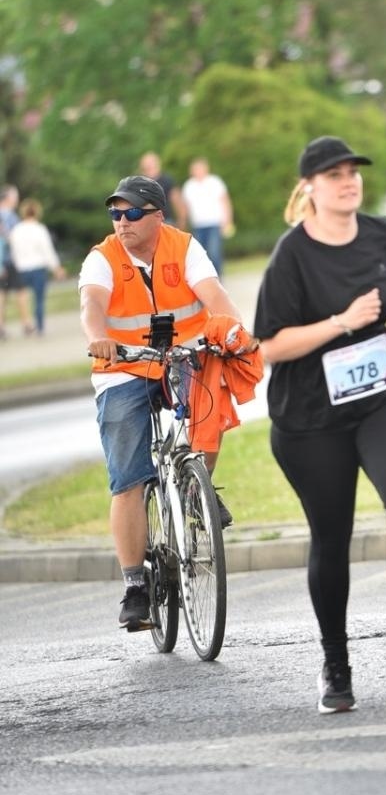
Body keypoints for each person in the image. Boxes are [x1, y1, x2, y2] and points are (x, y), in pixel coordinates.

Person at [254, 135, 386, 714]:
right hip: (311, 418)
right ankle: (335, 665)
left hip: (381, 398)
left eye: (353, 172)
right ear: (310, 188)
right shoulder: (292, 255)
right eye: (334, 174)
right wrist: (342, 323)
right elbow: (270, 345)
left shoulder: (382, 234)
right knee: (332, 535)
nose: (348, 181)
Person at [79, 175, 258, 632]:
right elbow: (91, 305)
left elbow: (214, 296)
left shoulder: (185, 247)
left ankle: (198, 489)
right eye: (116, 213)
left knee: (210, 404)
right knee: (128, 478)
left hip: (184, 355)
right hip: (123, 368)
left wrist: (232, 330)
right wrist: (98, 338)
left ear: (158, 215)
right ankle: (136, 585)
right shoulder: (102, 259)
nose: (123, 222)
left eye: (133, 213)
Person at [8, 198, 66, 335]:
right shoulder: (39, 229)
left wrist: (17, 264)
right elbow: (47, 250)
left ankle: (27, 323)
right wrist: (56, 267)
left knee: (23, 298)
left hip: (22, 268)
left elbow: (14, 251)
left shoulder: (16, 230)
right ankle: (39, 327)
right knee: (39, 299)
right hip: (38, 267)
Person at [182, 158, 234, 276]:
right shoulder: (189, 186)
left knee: (214, 253)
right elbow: (186, 207)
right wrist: (184, 223)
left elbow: (225, 201)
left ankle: (218, 277)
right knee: (200, 254)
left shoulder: (215, 182)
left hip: (214, 223)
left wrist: (228, 220)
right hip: (198, 225)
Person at [0, 184, 34, 337]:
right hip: (9, 260)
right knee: (21, 292)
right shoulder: (9, 216)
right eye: (15, 196)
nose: (17, 199)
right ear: (8, 198)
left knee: (2, 295)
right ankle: (27, 324)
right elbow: (13, 238)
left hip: (4, 261)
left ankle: (1, 327)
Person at [139, 152, 187, 229]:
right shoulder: (138, 182)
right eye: (146, 163)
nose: (149, 165)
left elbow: (177, 201)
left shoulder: (167, 180)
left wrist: (182, 220)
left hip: (166, 221)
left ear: (157, 163)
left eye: (151, 162)